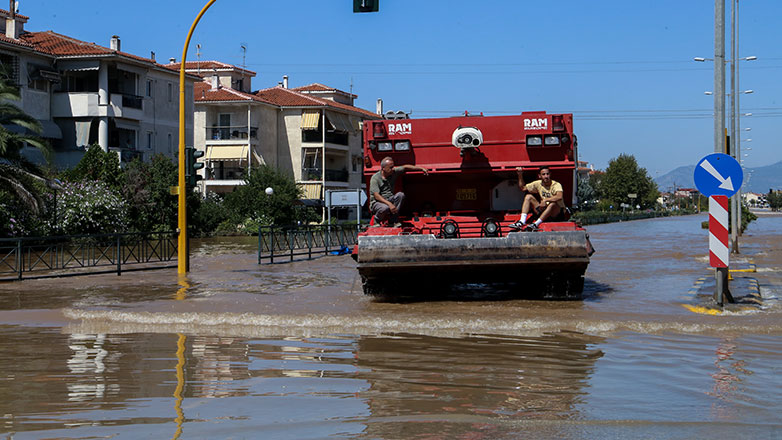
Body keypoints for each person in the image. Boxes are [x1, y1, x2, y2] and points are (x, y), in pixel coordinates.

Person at [369, 156, 428, 226]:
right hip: (378, 202)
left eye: (393, 167)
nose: (393, 169)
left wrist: (421, 168)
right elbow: (376, 196)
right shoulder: (375, 178)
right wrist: (390, 204)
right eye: (390, 167)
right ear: (383, 168)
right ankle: (377, 220)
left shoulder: (393, 172)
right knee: (385, 208)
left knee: (400, 195)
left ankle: (393, 220)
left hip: (389, 198)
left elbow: (405, 167)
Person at [508, 166, 566, 231]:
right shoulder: (538, 183)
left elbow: (559, 196)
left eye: (547, 174)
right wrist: (520, 175)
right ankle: (521, 222)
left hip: (556, 214)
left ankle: (536, 224)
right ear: (539, 176)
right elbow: (523, 188)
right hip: (543, 210)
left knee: (552, 204)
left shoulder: (556, 184)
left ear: (550, 174)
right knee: (528, 197)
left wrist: (545, 200)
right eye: (543, 174)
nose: (546, 176)